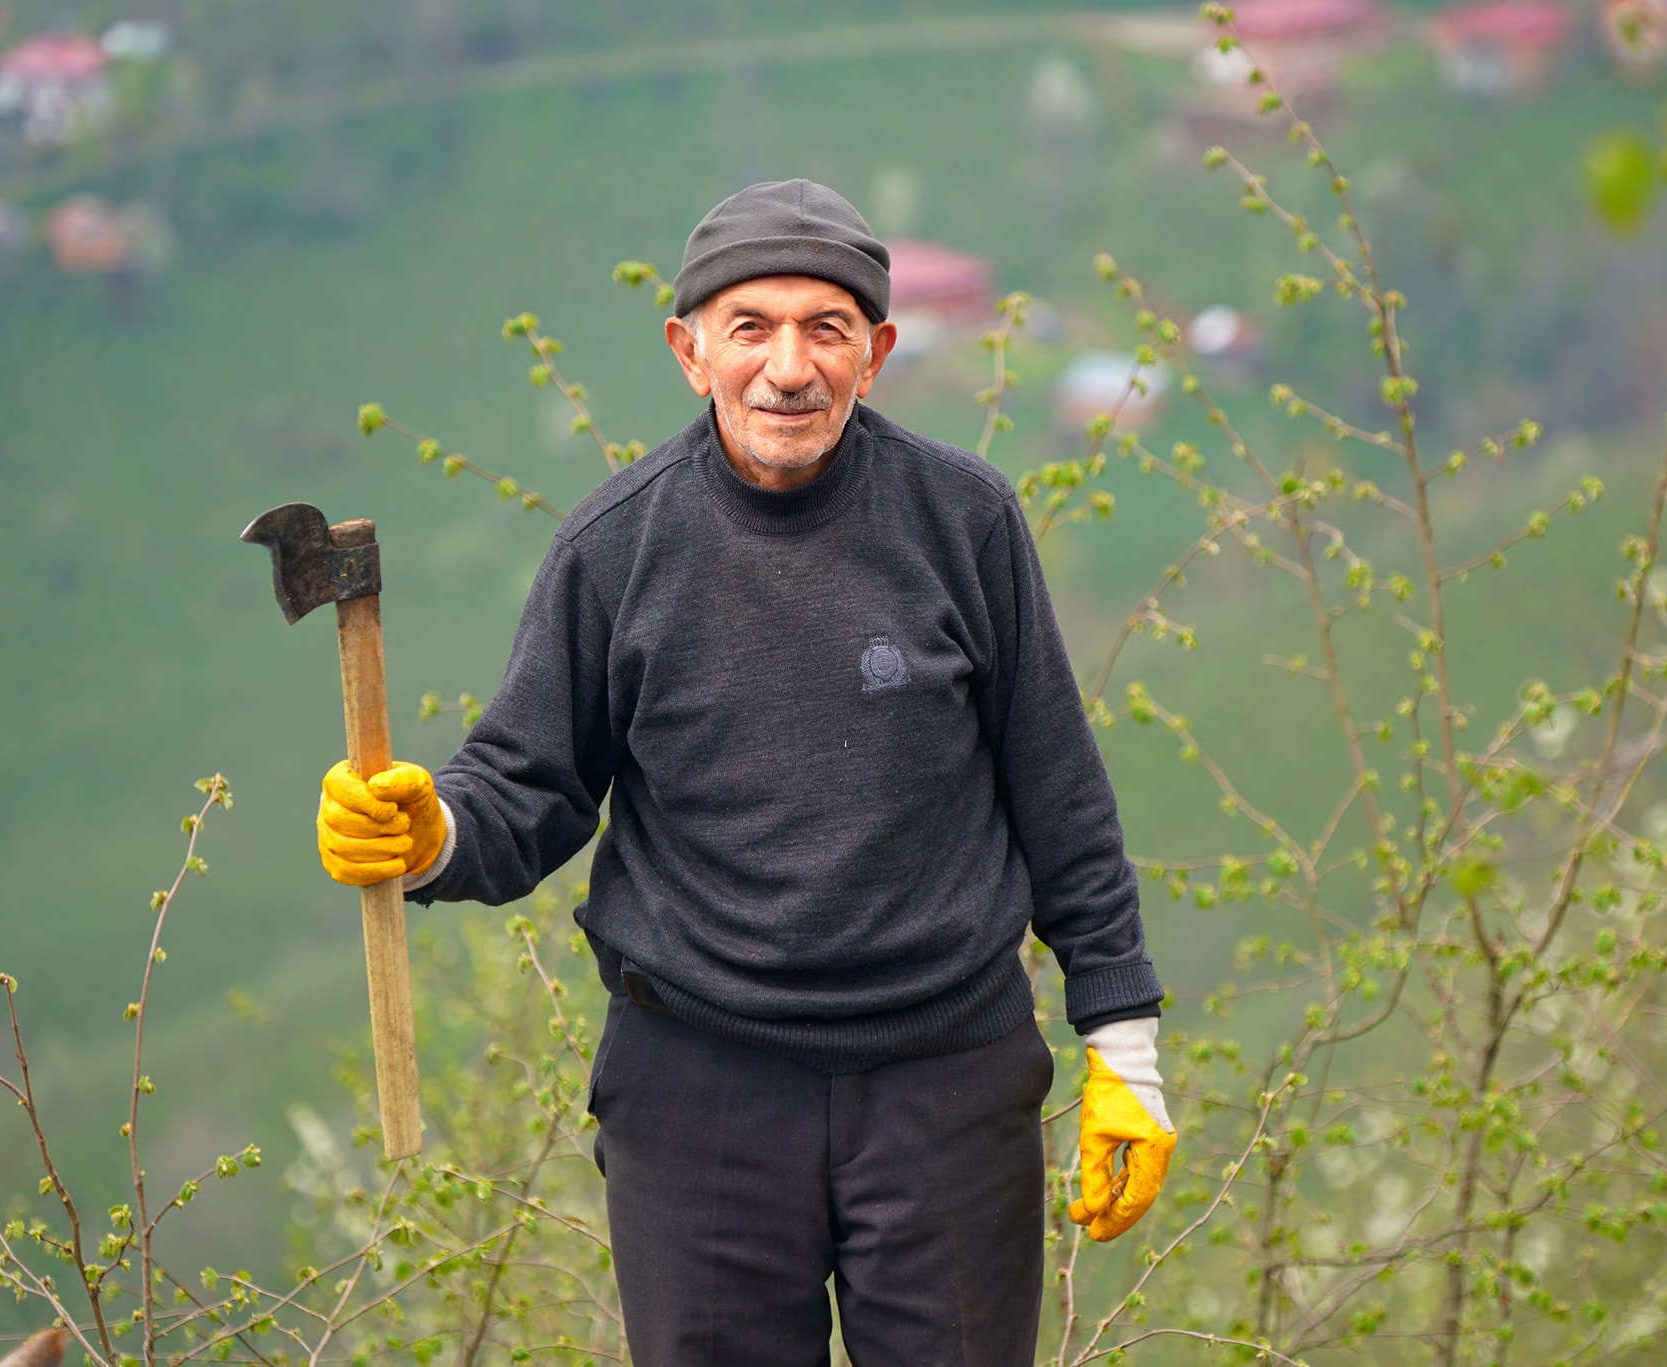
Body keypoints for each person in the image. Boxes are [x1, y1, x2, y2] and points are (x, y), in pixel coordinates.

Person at [313, 179, 1175, 1366]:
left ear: (873, 352)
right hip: (697, 1088)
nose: (788, 367)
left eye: (825, 328)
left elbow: (1060, 800)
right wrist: (430, 834)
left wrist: (1121, 1044)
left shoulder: (962, 521)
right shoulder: (616, 549)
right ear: (688, 350)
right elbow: (526, 782)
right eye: (751, 327)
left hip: (944, 1081)